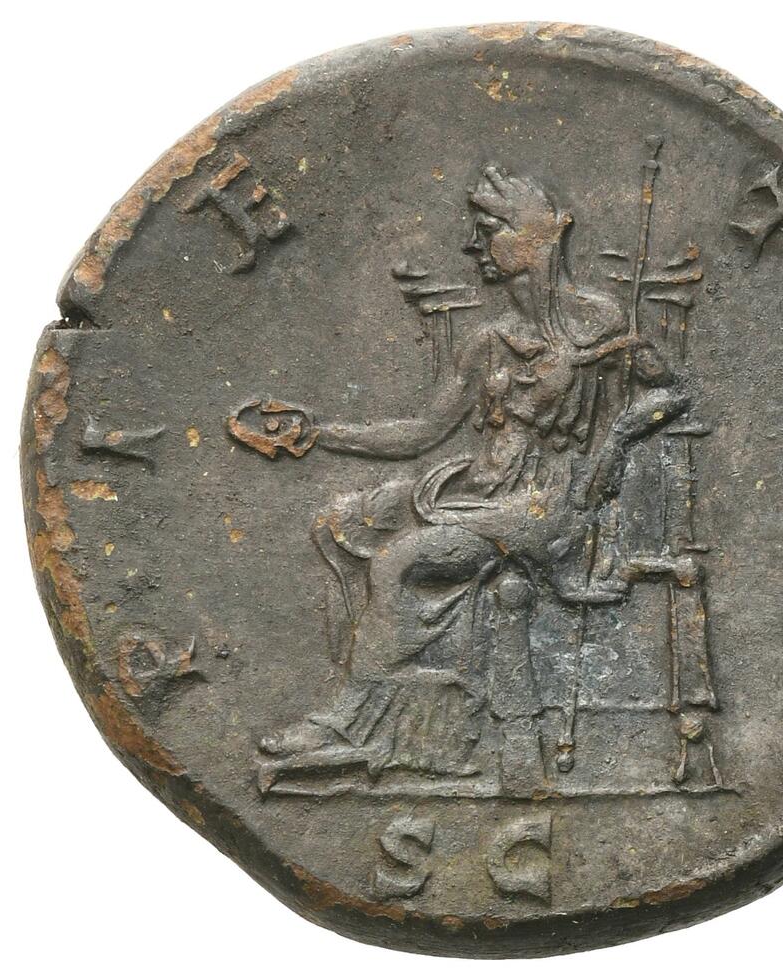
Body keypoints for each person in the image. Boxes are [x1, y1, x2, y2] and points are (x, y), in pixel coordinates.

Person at [237, 165, 696, 782]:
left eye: (490, 230)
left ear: (536, 238)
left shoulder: (601, 325)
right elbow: (423, 432)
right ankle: (393, 710)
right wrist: (318, 432)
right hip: (477, 487)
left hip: (544, 505)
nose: (474, 245)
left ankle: (347, 723)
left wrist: (619, 434)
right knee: (340, 523)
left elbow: (673, 391)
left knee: (396, 563)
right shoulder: (486, 341)